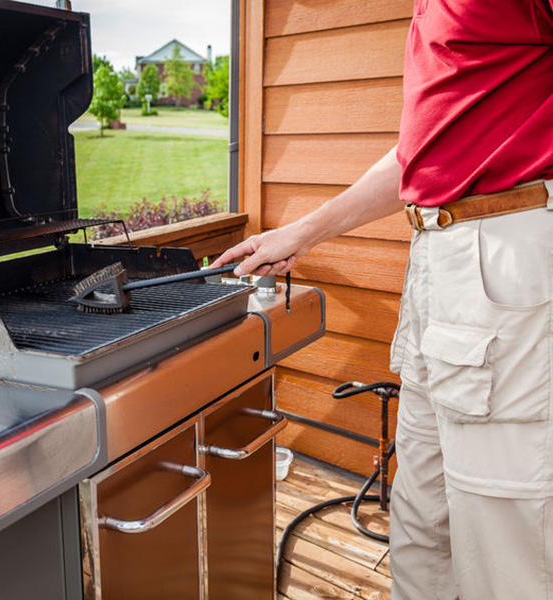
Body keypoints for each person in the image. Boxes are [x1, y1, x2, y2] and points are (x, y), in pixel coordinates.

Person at [211, 1, 553, 598]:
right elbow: (421, 156)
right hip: (437, 261)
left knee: (505, 545)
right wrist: (299, 233)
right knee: (423, 522)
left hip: (505, 253)